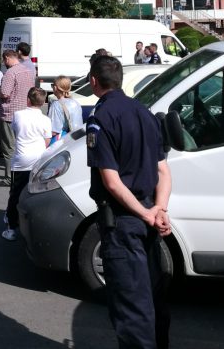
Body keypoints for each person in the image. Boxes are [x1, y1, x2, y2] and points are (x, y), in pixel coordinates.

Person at [86, 55, 172, 349]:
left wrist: (148, 214)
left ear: (94, 81)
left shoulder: (102, 118)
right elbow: (163, 171)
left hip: (124, 221)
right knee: (153, 299)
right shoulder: (144, 112)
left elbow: (111, 182)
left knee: (132, 308)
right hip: (147, 215)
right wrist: (159, 208)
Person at [2, 87, 52, 241]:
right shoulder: (46, 119)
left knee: (15, 194)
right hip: (39, 159)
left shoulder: (18, 115)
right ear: (43, 102)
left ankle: (11, 227)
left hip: (21, 160)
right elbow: (47, 140)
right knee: (36, 193)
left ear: (28, 100)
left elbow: (16, 132)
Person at [0, 46, 36, 186]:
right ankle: (24, 174)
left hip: (9, 113)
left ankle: (9, 177)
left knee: (9, 148)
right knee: (22, 144)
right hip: (24, 111)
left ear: (7, 58)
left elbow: (5, 93)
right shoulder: (27, 70)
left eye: (3, 59)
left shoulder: (10, 73)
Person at [48, 76, 84, 143]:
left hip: (63, 142)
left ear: (55, 88)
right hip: (77, 139)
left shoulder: (56, 105)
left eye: (52, 85)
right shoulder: (75, 103)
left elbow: (54, 131)